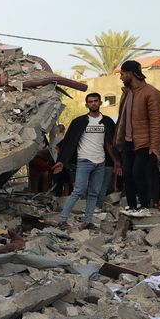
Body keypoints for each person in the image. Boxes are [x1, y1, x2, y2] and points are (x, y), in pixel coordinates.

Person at [54, 93, 119, 229]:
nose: (93, 103)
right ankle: (63, 220)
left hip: (100, 162)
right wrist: (61, 161)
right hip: (84, 161)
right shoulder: (79, 122)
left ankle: (88, 221)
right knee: (78, 191)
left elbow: (110, 143)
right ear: (87, 104)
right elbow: (69, 142)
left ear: (100, 103)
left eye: (96, 101)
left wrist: (116, 161)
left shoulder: (106, 121)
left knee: (94, 192)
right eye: (90, 101)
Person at [113, 60, 160, 217]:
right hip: (128, 142)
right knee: (127, 174)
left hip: (144, 142)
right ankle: (133, 207)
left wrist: (154, 147)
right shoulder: (127, 92)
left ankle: (144, 207)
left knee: (138, 174)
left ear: (130, 74)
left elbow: (156, 123)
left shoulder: (151, 93)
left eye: (122, 74)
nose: (120, 77)